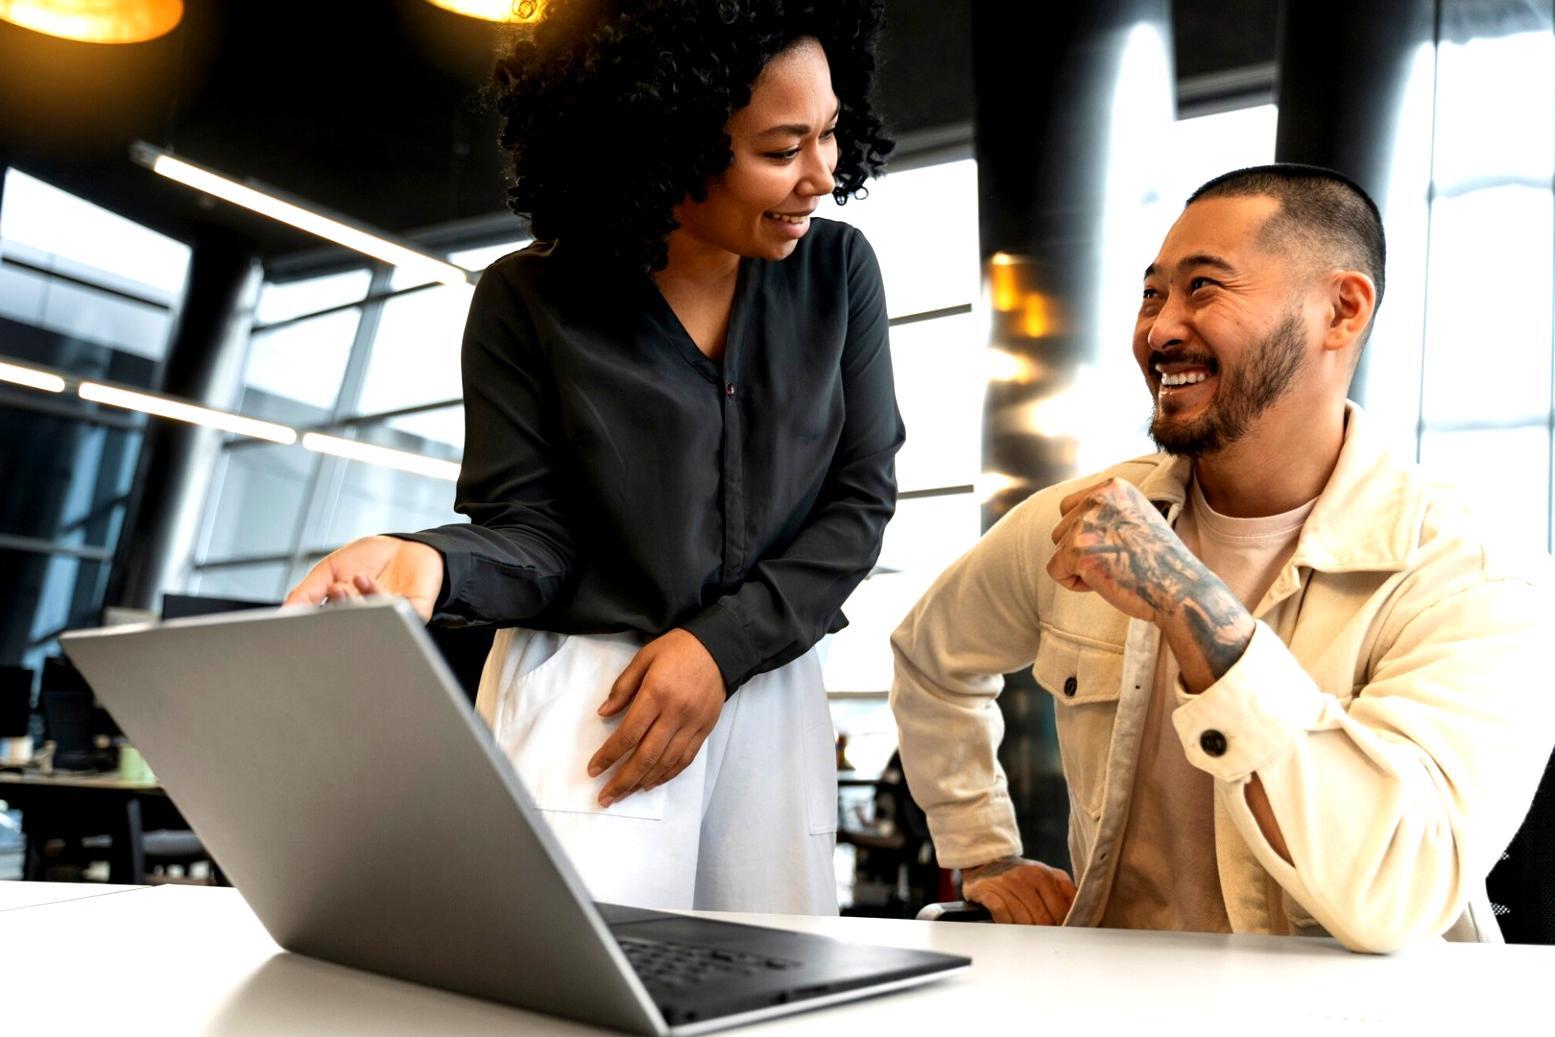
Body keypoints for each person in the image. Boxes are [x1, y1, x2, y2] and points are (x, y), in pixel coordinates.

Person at [284, 0, 902, 915]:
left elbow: (858, 501)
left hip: (770, 692)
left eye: (830, 132)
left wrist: (719, 650)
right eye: (781, 150)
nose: (822, 174)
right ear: (667, 146)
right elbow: (534, 535)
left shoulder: (837, 272)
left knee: (776, 976)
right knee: (576, 976)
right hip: (593, 707)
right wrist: (429, 562)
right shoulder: (527, 300)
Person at [889, 164, 1555, 953]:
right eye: (1151, 295)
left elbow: (1394, 891)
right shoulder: (1083, 518)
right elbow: (930, 659)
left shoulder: (1470, 574)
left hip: (1349, 1009)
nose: (1159, 329)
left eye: (1203, 288)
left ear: (1341, 310)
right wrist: (982, 850)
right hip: (1106, 996)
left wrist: (1189, 603)